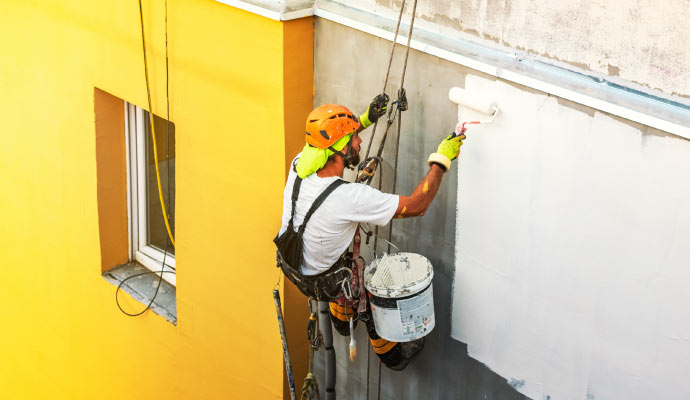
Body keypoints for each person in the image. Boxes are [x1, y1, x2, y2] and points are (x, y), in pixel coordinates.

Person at [275, 95, 465, 371]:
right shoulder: (350, 197)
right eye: (354, 138)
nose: (360, 142)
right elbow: (417, 205)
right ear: (340, 149)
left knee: (345, 246)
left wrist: (364, 120)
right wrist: (442, 158)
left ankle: (341, 320)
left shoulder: (299, 164)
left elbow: (332, 143)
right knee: (369, 292)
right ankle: (389, 353)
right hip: (324, 278)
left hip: (292, 265)